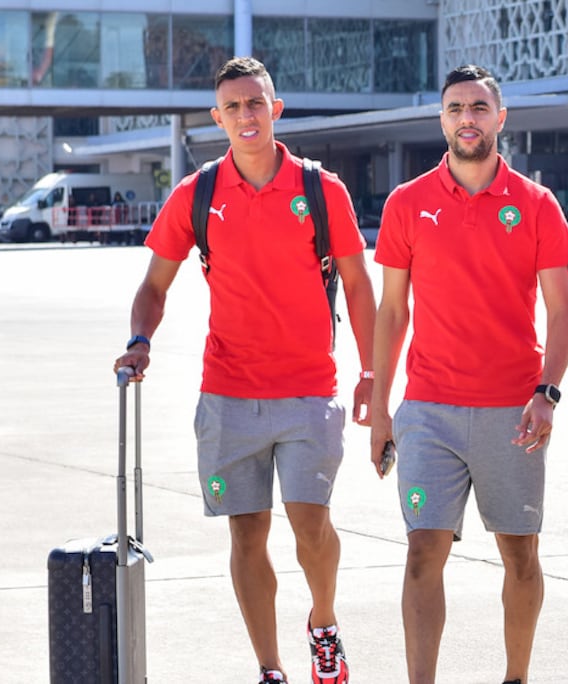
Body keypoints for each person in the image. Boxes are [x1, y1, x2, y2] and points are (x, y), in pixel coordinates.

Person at [113, 56, 376, 684]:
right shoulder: (197, 193)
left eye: (255, 103)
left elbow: (361, 288)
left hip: (309, 389)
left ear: (275, 108)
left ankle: (323, 622)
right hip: (228, 392)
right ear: (217, 118)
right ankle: (270, 668)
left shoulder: (320, 189)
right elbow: (155, 284)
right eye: (232, 107)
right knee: (247, 535)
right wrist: (140, 339)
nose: (245, 116)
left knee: (311, 525)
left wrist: (372, 372)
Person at [369, 64, 568, 684]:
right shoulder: (407, 204)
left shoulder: (537, 206)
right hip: (428, 409)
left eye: (479, 108)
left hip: (513, 412)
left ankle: (516, 677)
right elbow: (392, 311)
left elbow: (561, 312)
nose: (467, 118)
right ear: (442, 119)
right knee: (421, 552)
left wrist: (547, 393)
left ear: (500, 118)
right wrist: (381, 408)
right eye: (456, 108)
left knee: (520, 555)